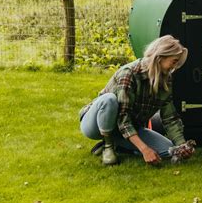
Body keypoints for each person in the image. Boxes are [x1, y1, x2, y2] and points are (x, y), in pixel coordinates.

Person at [79, 35, 194, 165]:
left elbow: (170, 118)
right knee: (109, 100)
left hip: (127, 128)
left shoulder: (166, 79)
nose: (175, 66)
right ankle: (108, 146)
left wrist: (181, 145)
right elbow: (123, 118)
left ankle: (119, 144)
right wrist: (144, 149)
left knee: (167, 151)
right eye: (174, 61)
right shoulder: (129, 73)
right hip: (95, 125)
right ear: (161, 57)